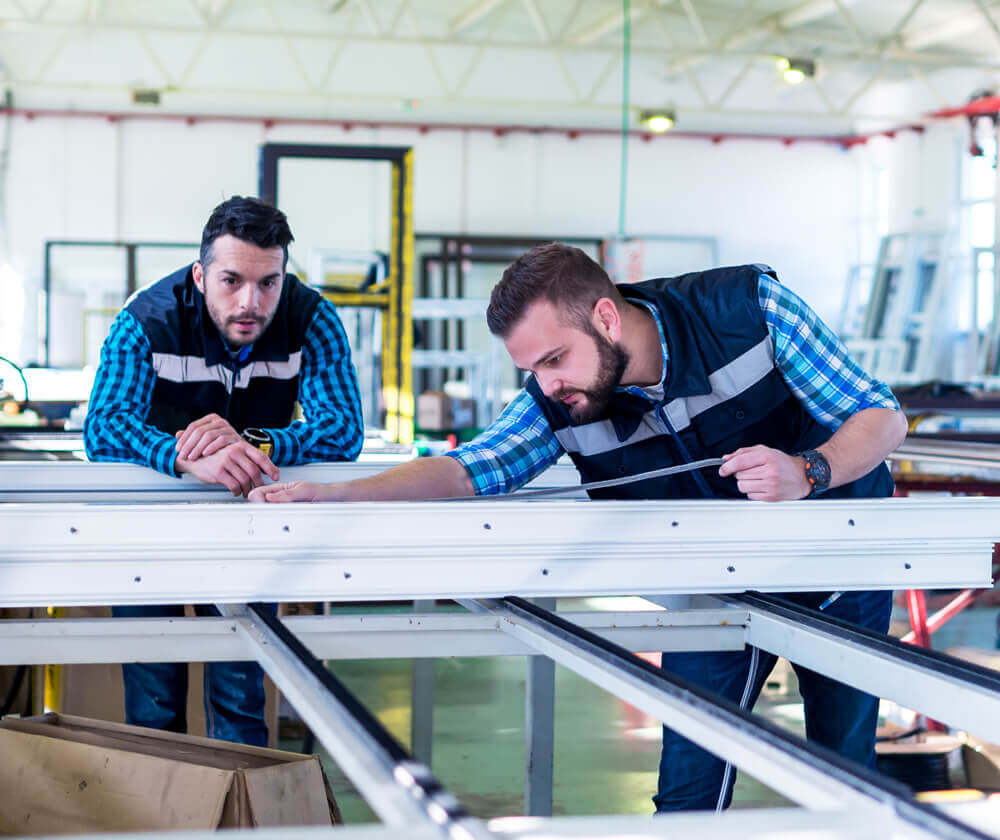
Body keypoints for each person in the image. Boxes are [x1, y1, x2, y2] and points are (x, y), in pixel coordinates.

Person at [249, 242, 906, 811]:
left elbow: (881, 417)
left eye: (556, 359)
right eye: (533, 369)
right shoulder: (560, 394)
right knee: (688, 793)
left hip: (834, 566)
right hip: (719, 584)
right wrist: (340, 498)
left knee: (845, 773)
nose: (548, 383)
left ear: (606, 316)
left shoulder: (752, 310)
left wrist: (807, 470)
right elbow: (471, 469)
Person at [85, 195, 364, 745]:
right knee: (154, 706)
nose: (251, 302)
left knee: (241, 701)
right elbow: (104, 429)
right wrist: (187, 454)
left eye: (268, 283)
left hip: (249, 526)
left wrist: (251, 442)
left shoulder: (311, 317)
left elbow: (343, 430)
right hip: (151, 531)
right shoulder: (147, 320)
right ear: (199, 274)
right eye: (231, 281)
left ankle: (238, 825)